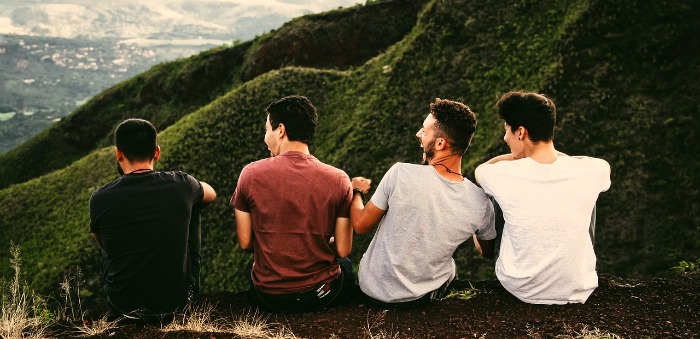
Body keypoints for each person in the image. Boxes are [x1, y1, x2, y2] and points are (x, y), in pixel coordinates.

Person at [351, 98, 496, 308]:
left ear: (440, 143)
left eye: (424, 130)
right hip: (420, 299)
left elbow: (360, 225)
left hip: (372, 290)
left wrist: (356, 191)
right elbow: (487, 252)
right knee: (450, 267)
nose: (418, 134)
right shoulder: (480, 202)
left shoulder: (400, 173)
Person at [475, 91, 611, 305]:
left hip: (521, 287)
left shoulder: (498, 174)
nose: (504, 138)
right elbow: (592, 164)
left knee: (496, 195)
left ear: (521, 132)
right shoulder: (594, 170)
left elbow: (481, 171)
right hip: (578, 287)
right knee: (585, 193)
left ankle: (490, 253)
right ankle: (569, 266)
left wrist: (515, 157)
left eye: (507, 131)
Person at [231, 95, 355, 313]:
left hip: (269, 296)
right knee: (345, 266)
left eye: (266, 130)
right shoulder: (339, 179)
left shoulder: (250, 174)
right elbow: (343, 249)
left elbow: (246, 243)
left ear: (280, 130)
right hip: (320, 294)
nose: (265, 138)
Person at [89, 118, 217, 318]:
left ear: (118, 153)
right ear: (157, 152)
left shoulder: (99, 198)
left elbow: (105, 246)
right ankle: (190, 292)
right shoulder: (182, 184)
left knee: (112, 240)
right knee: (194, 205)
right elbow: (211, 194)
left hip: (122, 305)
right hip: (175, 303)